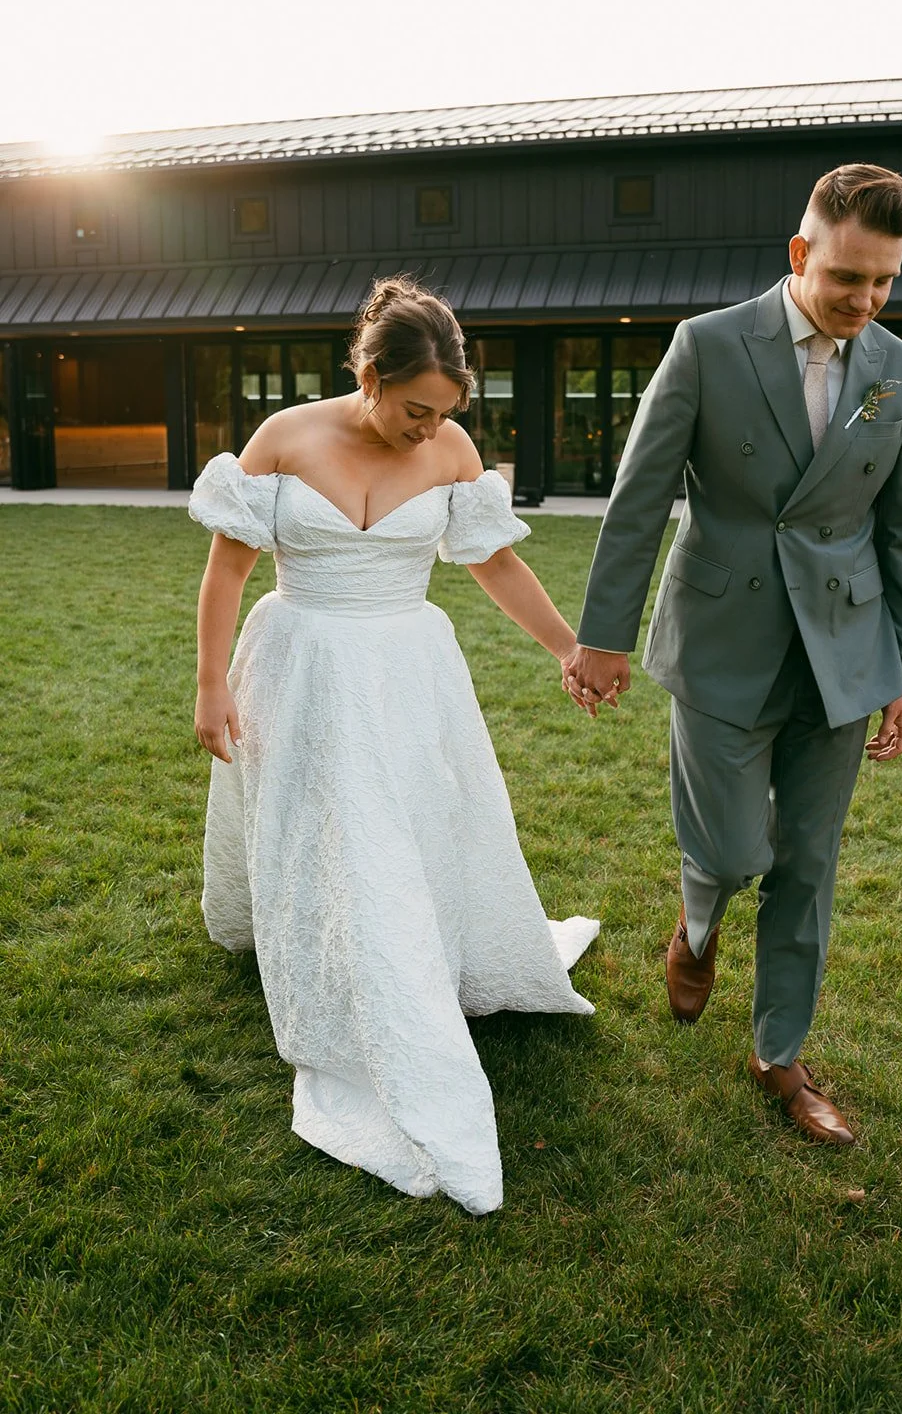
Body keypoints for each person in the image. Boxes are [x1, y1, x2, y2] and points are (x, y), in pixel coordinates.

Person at [190, 277, 598, 1215]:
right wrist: (210, 682)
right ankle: (343, 970)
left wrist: (567, 647)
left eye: (444, 414)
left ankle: (412, 955)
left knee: (400, 829)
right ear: (369, 376)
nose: (429, 430)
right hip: (301, 662)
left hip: (410, 671)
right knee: (323, 830)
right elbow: (228, 568)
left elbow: (493, 561)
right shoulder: (284, 439)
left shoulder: (451, 449)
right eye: (416, 410)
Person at [565, 164, 902, 1145]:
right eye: (849, 277)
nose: (865, 299)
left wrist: (901, 669)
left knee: (807, 864)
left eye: (884, 281)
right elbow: (639, 499)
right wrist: (600, 636)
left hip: (844, 657)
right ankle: (696, 925)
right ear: (799, 253)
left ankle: (780, 1055)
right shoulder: (707, 346)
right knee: (732, 851)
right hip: (721, 642)